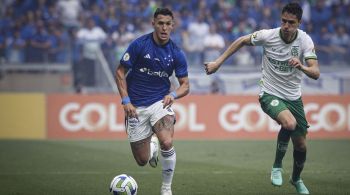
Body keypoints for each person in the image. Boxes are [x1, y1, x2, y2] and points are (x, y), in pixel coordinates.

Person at [204, 2, 320, 195]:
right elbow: (241, 40)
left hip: (293, 97)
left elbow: (315, 72)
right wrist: (218, 62)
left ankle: (296, 179)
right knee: (289, 124)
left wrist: (302, 67)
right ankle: (276, 166)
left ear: (299, 23)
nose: (286, 26)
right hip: (269, 92)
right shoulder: (269, 35)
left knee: (301, 145)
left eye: (291, 22)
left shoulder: (305, 41)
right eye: (284, 21)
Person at [115, 8, 190, 195]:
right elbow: (120, 72)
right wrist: (125, 100)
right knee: (142, 160)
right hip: (135, 107)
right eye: (160, 23)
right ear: (153, 24)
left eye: (168, 24)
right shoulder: (139, 45)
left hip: (160, 102)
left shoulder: (176, 53)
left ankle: (166, 188)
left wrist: (173, 96)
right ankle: (151, 143)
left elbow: (185, 85)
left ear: (173, 26)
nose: (164, 28)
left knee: (167, 141)